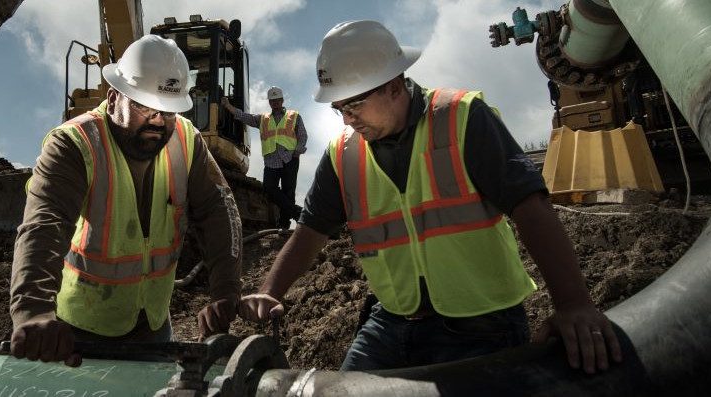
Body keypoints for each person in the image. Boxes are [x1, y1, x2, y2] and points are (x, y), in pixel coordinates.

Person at [238, 20, 623, 374]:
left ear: (394, 84)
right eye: (339, 107)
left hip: (483, 323)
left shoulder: (462, 118)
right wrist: (269, 291)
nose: (347, 119)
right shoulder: (344, 153)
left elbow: (530, 205)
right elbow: (310, 231)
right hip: (392, 320)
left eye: (354, 104)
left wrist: (573, 304)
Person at [9, 35, 242, 367]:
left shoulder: (187, 141)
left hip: (153, 327)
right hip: (77, 334)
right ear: (113, 95)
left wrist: (226, 291)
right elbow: (44, 224)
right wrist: (33, 311)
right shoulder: (74, 144)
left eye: (167, 110)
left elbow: (220, 209)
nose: (157, 120)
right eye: (143, 106)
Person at [221, 86, 307, 228]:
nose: (275, 102)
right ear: (269, 102)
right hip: (271, 160)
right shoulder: (263, 119)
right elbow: (244, 117)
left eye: (277, 100)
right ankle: (300, 214)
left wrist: (297, 152)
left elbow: (302, 135)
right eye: (272, 100)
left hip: (289, 159)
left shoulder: (294, 116)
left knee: (288, 192)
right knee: (269, 188)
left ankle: (284, 225)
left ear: (282, 100)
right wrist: (228, 106)